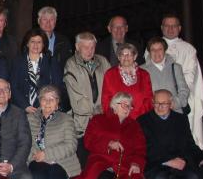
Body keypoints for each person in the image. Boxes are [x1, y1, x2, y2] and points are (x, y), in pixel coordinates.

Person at [72, 92, 146, 179]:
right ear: (114, 105)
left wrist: (136, 163)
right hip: (103, 161)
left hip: (125, 165)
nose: (127, 108)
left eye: (129, 106)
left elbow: (141, 149)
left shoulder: (134, 125)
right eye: (123, 104)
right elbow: (88, 142)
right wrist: (108, 143)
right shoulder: (98, 120)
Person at [26, 85, 80, 179]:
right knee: (38, 178)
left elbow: (71, 145)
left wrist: (47, 154)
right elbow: (25, 143)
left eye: (52, 99)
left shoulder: (66, 119)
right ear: (39, 101)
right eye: (44, 98)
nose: (48, 102)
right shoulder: (30, 118)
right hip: (37, 160)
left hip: (61, 161)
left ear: (57, 103)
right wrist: (32, 157)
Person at [155, 14, 203, 148]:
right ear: (162, 28)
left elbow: (190, 76)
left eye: (174, 26)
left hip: (181, 99)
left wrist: (175, 100)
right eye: (167, 26)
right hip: (158, 101)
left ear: (179, 28)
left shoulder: (188, 49)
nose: (170, 29)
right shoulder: (153, 46)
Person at [64, 32, 111, 167]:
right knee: (83, 166)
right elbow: (76, 100)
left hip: (102, 123)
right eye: (85, 47)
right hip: (81, 125)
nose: (89, 51)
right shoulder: (71, 64)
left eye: (92, 47)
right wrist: (97, 110)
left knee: (100, 166)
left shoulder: (103, 61)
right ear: (77, 47)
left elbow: (111, 87)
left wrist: (106, 109)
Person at [9, 28, 65, 114]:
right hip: (22, 110)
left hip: (46, 109)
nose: (36, 45)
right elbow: (13, 86)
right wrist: (25, 106)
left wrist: (45, 105)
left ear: (43, 45)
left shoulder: (51, 61)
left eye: (39, 42)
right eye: (32, 41)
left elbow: (58, 85)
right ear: (27, 43)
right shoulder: (17, 61)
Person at [101, 43, 153, 121]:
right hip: (117, 120)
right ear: (119, 57)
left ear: (135, 56)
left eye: (129, 54)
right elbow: (105, 100)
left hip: (140, 119)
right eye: (122, 54)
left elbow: (149, 99)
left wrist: (138, 116)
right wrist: (116, 116)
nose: (126, 57)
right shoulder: (110, 74)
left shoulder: (144, 75)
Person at [141, 37, 190, 113]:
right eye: (153, 50)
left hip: (175, 113)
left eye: (160, 49)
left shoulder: (175, 67)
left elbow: (184, 91)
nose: (156, 52)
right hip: (153, 114)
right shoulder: (142, 70)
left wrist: (174, 103)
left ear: (165, 50)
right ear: (149, 52)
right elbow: (141, 95)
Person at [36, 6, 72, 73]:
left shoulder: (64, 41)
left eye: (51, 19)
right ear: (39, 21)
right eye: (45, 19)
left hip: (59, 80)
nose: (48, 23)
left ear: (55, 22)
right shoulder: (31, 40)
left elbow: (69, 65)